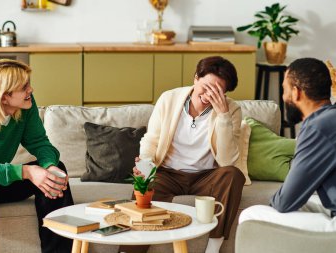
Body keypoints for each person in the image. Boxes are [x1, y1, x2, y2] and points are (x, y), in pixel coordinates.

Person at [0, 59, 74, 253]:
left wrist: (49, 166)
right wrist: (26, 171)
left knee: (56, 171)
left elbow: (40, 143)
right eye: (24, 87)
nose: (31, 90)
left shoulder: (25, 105)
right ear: (4, 96)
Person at [135, 56, 246, 253]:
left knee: (233, 174)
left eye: (218, 91)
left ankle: (213, 248)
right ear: (196, 78)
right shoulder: (169, 99)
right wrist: (145, 167)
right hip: (168, 173)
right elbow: (151, 140)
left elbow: (228, 160)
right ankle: (130, 250)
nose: (209, 94)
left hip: (206, 176)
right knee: (143, 188)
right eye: (207, 86)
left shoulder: (232, 110)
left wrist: (223, 117)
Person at [239, 58, 336, 232]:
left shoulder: (318, 127)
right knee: (304, 204)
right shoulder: (329, 119)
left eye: (284, 89)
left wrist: (274, 203)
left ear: (296, 92)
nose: (283, 97)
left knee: (250, 216)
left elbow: (284, 202)